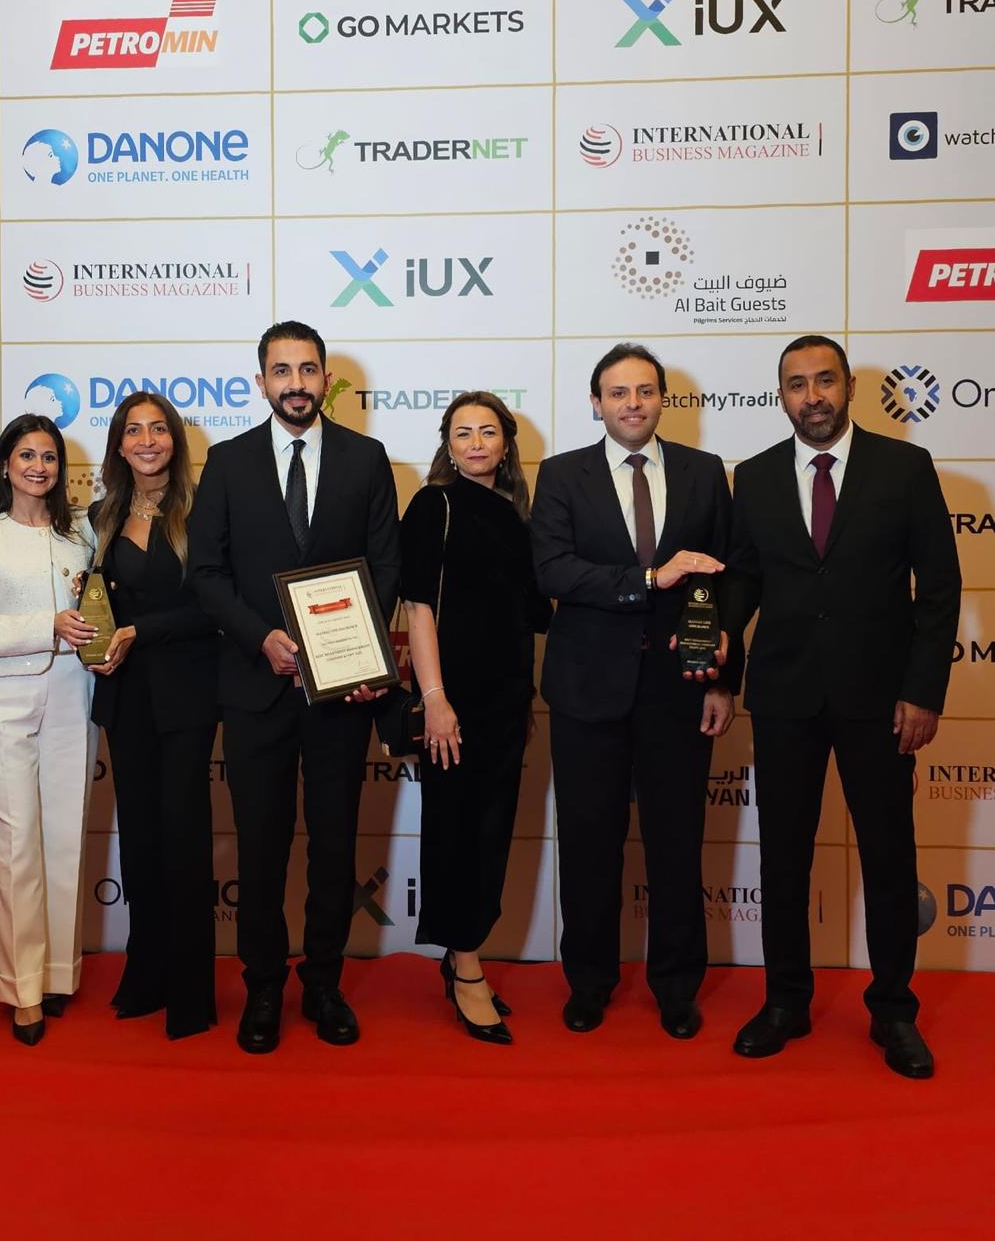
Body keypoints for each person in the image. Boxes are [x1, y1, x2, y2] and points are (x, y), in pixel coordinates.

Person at [724, 335, 961, 1079]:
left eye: (824, 380)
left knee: (888, 857)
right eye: (796, 384)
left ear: (848, 387)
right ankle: (785, 1003)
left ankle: (892, 1010)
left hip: (880, 699)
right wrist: (715, 639)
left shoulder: (905, 467)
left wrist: (922, 690)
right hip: (784, 696)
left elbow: (940, 588)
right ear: (781, 396)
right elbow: (744, 580)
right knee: (783, 857)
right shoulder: (754, 476)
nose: (812, 396)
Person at [193, 320, 400, 1054]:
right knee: (260, 847)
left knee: (334, 846)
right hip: (256, 688)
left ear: (325, 380)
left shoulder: (366, 459)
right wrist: (262, 637)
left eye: (308, 370)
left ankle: (322, 984)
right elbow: (206, 573)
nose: (296, 384)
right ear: (261, 382)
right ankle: (262, 988)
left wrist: (358, 655)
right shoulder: (226, 462)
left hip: (341, 694)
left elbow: (386, 565)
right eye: (281, 372)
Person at [531, 343, 736, 1040]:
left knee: (677, 843)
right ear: (595, 403)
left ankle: (677, 986)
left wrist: (723, 677)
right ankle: (588, 982)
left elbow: (727, 579)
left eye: (645, 391)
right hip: (587, 688)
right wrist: (648, 580)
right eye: (617, 393)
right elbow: (552, 571)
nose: (632, 403)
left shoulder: (704, 471)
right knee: (589, 843)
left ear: (662, 399)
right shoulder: (561, 474)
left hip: (681, 689)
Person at [400, 392, 552, 1045]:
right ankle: (465, 967)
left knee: (491, 833)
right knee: (458, 831)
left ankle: (464, 954)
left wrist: (523, 697)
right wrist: (435, 698)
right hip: (453, 703)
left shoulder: (518, 516)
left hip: (507, 704)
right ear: (448, 444)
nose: (476, 444)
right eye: (462, 433)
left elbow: (524, 616)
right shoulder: (432, 505)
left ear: (505, 442)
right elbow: (418, 608)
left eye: (487, 432)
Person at [0, 415, 99, 1046]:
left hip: (72, 695)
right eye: (26, 455)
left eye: (49, 457)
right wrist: (49, 625)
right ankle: (21, 988)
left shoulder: (80, 536)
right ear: (6, 464)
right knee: (15, 846)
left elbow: (100, 612)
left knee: (64, 839)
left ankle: (58, 973)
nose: (39, 467)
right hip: (1, 701)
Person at [87, 392, 220, 1040]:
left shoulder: (201, 509)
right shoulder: (101, 515)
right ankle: (146, 975)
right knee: (139, 840)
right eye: (134, 430)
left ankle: (191, 993)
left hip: (187, 695)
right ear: (118, 444)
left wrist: (141, 630)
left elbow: (212, 606)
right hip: (124, 696)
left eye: (158, 429)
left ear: (174, 440)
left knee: (184, 840)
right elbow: (97, 603)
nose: (146, 440)